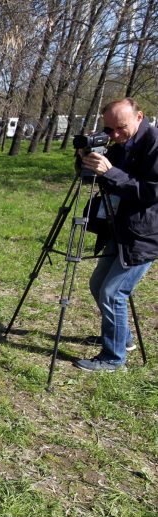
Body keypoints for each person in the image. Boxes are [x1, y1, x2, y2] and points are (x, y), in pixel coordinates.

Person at [76, 97, 158, 372]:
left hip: (145, 234)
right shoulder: (121, 143)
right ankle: (121, 338)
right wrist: (87, 160)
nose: (115, 135)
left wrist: (112, 173)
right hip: (119, 228)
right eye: (109, 130)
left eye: (120, 128)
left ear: (139, 116)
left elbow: (151, 192)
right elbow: (96, 178)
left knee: (113, 293)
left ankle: (113, 357)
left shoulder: (155, 144)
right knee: (98, 285)